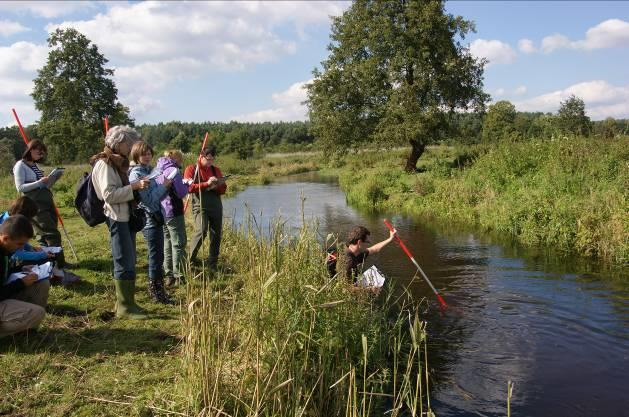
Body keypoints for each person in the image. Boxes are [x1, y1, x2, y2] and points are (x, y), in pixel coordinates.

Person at [90, 125, 150, 319]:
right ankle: (124, 307)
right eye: (129, 144)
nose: (131, 148)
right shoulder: (105, 164)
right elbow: (108, 195)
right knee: (123, 259)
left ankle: (128, 302)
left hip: (125, 215)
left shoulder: (118, 162)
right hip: (117, 217)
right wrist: (133, 187)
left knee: (130, 258)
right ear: (119, 143)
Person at [128, 141, 174, 304]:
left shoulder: (149, 171)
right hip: (148, 219)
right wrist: (165, 186)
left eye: (149, 153)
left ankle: (159, 290)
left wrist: (163, 188)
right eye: (143, 154)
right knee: (155, 256)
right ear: (136, 155)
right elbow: (148, 199)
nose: (147, 157)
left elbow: (158, 197)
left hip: (157, 216)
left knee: (158, 255)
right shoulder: (136, 174)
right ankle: (156, 293)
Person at [13, 140, 70, 269]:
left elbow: (43, 185)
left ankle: (47, 264)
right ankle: (59, 264)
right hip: (34, 204)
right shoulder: (20, 165)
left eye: (42, 152)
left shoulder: (34, 165)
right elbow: (20, 187)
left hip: (46, 200)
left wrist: (53, 178)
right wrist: (39, 182)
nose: (41, 154)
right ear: (30, 150)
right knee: (50, 233)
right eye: (39, 151)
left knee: (43, 234)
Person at [0, 197, 80, 286]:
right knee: (45, 259)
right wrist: (40, 255)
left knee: (47, 257)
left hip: (11, 265)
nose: (31, 220)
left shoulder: (11, 219)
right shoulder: (6, 225)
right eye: (30, 218)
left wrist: (32, 248)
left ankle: (57, 275)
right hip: (11, 265)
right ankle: (59, 277)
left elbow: (20, 242)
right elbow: (16, 254)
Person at [0, 215, 49, 338]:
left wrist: (20, 269)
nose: (22, 248)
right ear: (5, 238)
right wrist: (21, 283)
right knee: (37, 313)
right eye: (20, 244)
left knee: (42, 284)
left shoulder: (6, 249)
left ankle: (26, 329)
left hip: (4, 294)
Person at [184, 147, 227, 272]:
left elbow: (223, 189)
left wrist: (216, 185)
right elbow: (189, 188)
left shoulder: (216, 170)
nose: (210, 162)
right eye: (208, 159)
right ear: (201, 157)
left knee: (216, 234)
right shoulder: (191, 169)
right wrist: (206, 184)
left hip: (216, 206)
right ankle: (189, 260)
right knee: (201, 230)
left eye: (212, 159)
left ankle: (212, 263)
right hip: (200, 205)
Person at [155, 150, 188, 287]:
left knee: (167, 243)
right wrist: (188, 184)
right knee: (179, 243)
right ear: (176, 159)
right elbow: (180, 192)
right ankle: (179, 275)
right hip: (174, 210)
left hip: (162, 210)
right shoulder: (174, 170)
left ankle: (168, 275)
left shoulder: (158, 170)